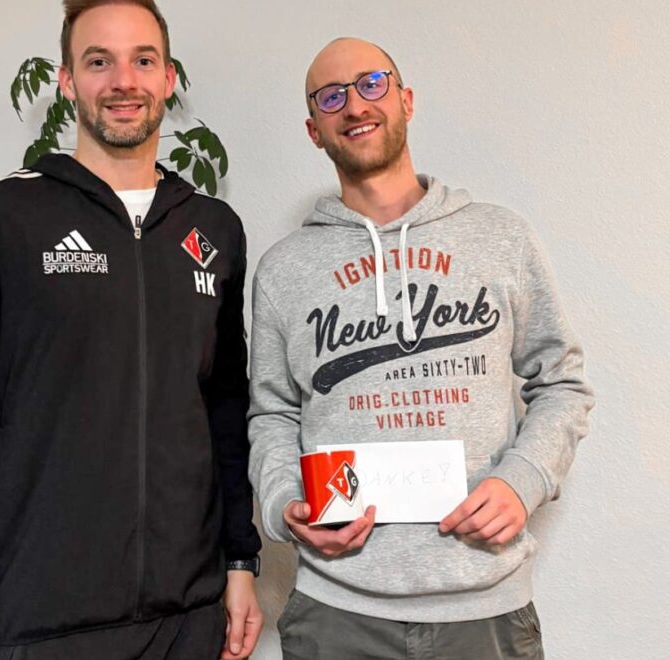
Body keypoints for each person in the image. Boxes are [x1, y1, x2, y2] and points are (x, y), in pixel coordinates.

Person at [0, 2, 262, 658]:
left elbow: (225, 410)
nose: (123, 80)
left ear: (167, 77)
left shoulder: (214, 229)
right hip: (42, 627)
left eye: (142, 59)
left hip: (190, 620)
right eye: (98, 61)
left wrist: (239, 561)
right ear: (66, 80)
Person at [248, 37, 594, 660]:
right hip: (337, 611)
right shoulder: (283, 270)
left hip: (485, 608)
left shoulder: (500, 238)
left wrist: (523, 480)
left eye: (371, 84)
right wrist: (281, 504)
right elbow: (272, 412)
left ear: (405, 100)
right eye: (331, 97)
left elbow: (561, 383)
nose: (355, 105)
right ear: (313, 129)